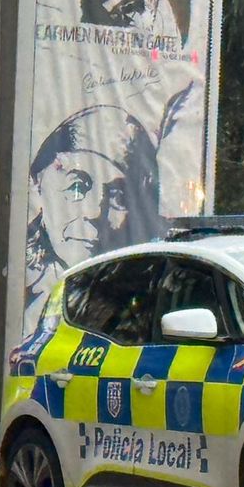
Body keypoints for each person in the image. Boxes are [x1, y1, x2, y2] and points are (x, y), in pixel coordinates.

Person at [25, 105, 161, 331]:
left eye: (117, 195)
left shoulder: (144, 306)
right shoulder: (24, 295)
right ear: (38, 186)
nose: (94, 212)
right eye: (76, 187)